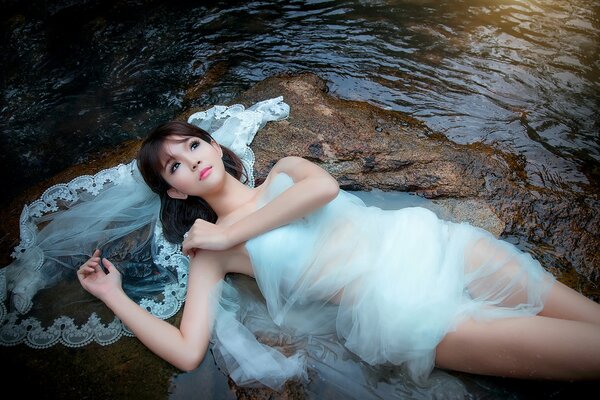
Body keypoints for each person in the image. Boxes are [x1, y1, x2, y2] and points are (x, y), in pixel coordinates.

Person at [76, 115, 600, 395]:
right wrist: (113, 294)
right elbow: (188, 351)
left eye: (192, 147)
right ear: (175, 192)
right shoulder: (210, 253)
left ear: (214, 146)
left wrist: (227, 232)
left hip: (445, 250)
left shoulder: (285, 169)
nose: (190, 162)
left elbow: (323, 190)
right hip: (406, 317)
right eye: (173, 167)